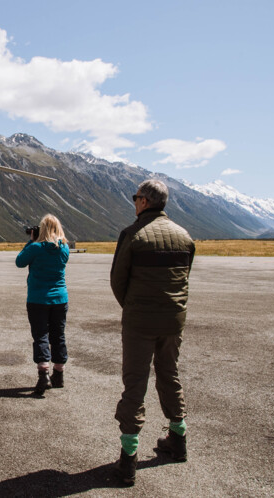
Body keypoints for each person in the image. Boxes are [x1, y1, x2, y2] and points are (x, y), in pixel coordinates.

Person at [110, 179, 195, 486]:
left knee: (135, 384)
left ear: (144, 201)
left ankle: (128, 460)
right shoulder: (184, 236)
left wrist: (132, 308)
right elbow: (184, 278)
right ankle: (178, 438)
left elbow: (118, 280)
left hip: (140, 322)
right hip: (173, 321)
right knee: (170, 374)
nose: (134, 202)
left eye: (135, 198)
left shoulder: (133, 235)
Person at [15, 214, 70, 396]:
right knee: (58, 335)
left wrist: (31, 241)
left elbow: (19, 262)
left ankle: (43, 374)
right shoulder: (64, 248)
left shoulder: (36, 248)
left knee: (41, 335)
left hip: (38, 298)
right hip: (60, 299)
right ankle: (59, 375)